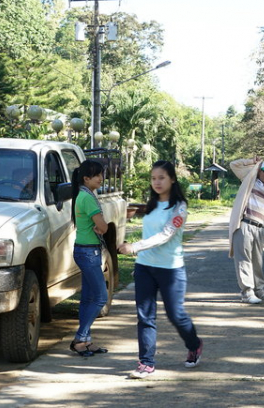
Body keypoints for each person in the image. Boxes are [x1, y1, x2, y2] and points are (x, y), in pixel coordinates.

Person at [117, 161, 203, 379]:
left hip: (170, 270)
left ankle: (194, 344)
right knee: (145, 316)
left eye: (162, 177)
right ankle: (146, 363)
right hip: (145, 267)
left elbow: (165, 235)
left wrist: (133, 247)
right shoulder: (151, 204)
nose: (157, 182)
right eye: (153, 178)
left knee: (176, 315)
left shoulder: (179, 207)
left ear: (172, 179)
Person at [228, 158, 264, 304]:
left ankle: (259, 290)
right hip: (244, 223)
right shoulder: (250, 180)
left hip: (259, 227)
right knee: (244, 260)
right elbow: (233, 165)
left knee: (257, 261)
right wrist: (255, 164)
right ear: (259, 171)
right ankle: (247, 292)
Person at [69, 159, 110, 357]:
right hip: (88, 252)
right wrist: (104, 227)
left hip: (84, 250)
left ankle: (87, 341)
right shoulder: (87, 198)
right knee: (101, 296)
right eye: (97, 175)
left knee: (88, 298)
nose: (101, 178)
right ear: (86, 178)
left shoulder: (83, 195)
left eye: (101, 174)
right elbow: (103, 227)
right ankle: (80, 338)